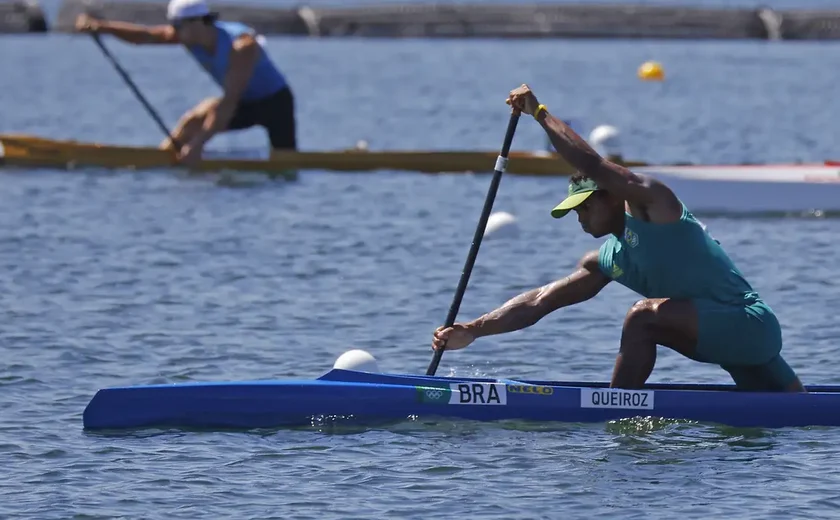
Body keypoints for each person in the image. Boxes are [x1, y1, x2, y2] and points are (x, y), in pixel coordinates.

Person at [431, 84, 805, 393]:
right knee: (798, 411)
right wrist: (473, 330)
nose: (579, 218)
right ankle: (618, 405)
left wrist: (539, 113)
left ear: (612, 196)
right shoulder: (609, 258)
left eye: (584, 207)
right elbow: (540, 302)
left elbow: (594, 166)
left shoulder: (654, 206)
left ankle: (616, 407)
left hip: (749, 324)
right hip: (733, 344)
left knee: (642, 317)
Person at [74, 0, 297, 165]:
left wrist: (199, 145)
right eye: (173, 25)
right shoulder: (189, 35)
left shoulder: (241, 47)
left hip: (275, 104)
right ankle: (160, 159)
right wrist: (101, 27)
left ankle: (189, 154)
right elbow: (145, 36)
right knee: (192, 121)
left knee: (286, 163)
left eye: (178, 26)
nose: (173, 32)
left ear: (200, 22)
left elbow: (229, 102)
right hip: (242, 102)